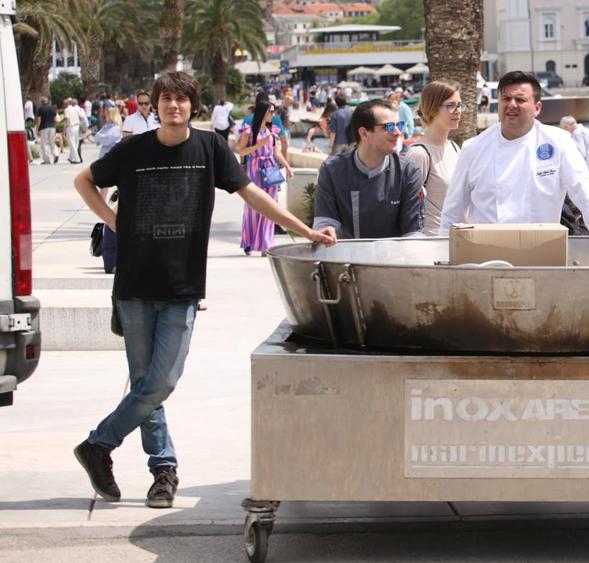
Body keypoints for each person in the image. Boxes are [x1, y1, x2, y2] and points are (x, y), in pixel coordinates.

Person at [71, 71, 334, 511]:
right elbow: (84, 180)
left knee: (162, 381)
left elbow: (251, 193)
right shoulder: (133, 149)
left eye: (182, 99)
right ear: (154, 105)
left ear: (193, 106)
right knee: (145, 384)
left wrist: (303, 228)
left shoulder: (209, 148)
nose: (174, 106)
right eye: (166, 99)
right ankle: (163, 472)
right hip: (134, 286)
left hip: (182, 286)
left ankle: (99, 445)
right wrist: (114, 221)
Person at [440, 71, 589, 248]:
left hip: (542, 251)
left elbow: (582, 187)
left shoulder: (558, 141)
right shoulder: (473, 147)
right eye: (505, 99)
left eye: (520, 100)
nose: (511, 105)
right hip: (485, 253)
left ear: (537, 108)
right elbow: (452, 210)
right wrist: (443, 252)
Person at [313, 100, 424, 239]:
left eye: (399, 125)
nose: (397, 132)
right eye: (388, 127)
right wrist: (327, 230)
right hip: (345, 258)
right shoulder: (332, 170)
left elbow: (413, 232)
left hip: (395, 258)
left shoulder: (408, 171)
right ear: (364, 133)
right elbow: (325, 221)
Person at [405, 80, 463, 236]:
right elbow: (407, 207)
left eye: (460, 105)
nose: (458, 111)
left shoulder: (454, 148)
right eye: (451, 105)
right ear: (433, 108)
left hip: (456, 239)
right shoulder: (419, 154)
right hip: (432, 243)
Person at [236, 100, 293, 255]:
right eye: (270, 112)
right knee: (252, 207)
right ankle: (249, 242)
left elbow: (277, 153)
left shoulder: (272, 131)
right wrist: (258, 145)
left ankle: (265, 244)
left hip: (270, 171)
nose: (272, 115)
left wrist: (287, 166)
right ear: (263, 112)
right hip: (254, 171)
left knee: (270, 207)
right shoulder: (248, 132)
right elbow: (241, 152)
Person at [559, 115, 589, 184]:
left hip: (587, 175)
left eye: (563, 129)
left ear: (567, 126)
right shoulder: (585, 131)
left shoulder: (577, 134)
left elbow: (580, 154)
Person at [35, 96, 57, 165]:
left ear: (41, 102)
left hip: (44, 127)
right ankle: (56, 154)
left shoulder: (40, 109)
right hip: (52, 127)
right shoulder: (52, 108)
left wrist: (37, 129)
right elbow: (55, 118)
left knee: (44, 143)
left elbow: (39, 119)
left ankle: (47, 160)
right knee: (52, 142)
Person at [62, 98, 84, 163]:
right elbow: (81, 117)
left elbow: (67, 119)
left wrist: (64, 128)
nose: (63, 105)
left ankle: (77, 159)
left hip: (71, 127)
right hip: (77, 126)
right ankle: (71, 158)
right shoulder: (75, 109)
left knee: (72, 144)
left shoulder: (66, 110)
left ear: (67, 104)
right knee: (75, 143)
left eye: (64, 104)